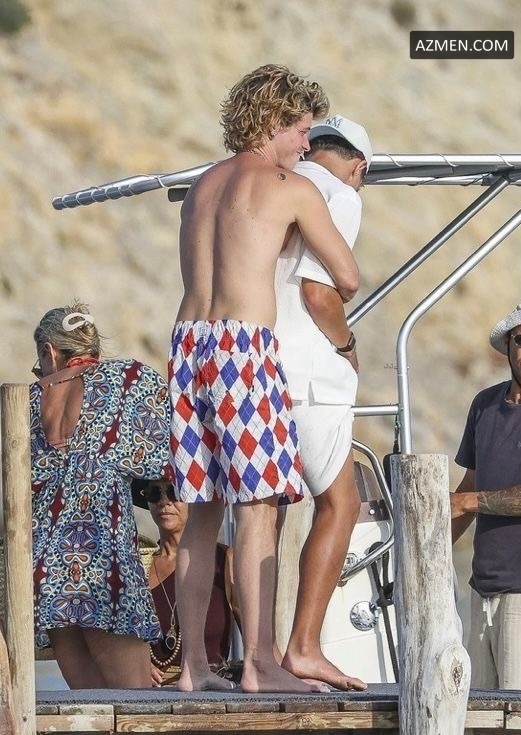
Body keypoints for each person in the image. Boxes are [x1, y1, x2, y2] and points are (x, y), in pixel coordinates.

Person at [168, 63, 359, 693]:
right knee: (258, 510)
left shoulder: (202, 185)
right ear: (273, 122)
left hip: (187, 344)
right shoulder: (290, 188)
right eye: (301, 129)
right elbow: (346, 277)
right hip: (243, 349)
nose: (306, 143)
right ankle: (260, 663)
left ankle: (194, 667)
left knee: (201, 512)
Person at [274, 115, 371, 691]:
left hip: (254, 363)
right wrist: (346, 347)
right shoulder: (339, 195)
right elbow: (319, 292)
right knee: (341, 503)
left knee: (259, 511)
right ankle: (304, 647)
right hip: (308, 372)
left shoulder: (273, 182)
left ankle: (258, 652)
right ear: (360, 165)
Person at [30, 301, 172, 688]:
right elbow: (163, 459)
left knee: (87, 704)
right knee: (135, 701)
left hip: (48, 571)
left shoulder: (27, 402)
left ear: (50, 351)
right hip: (103, 563)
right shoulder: (127, 379)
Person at [451, 300, 521, 690]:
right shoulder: (485, 404)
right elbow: (468, 485)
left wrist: (468, 502)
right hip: (481, 586)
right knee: (479, 713)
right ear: (508, 345)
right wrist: (426, 553)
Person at [132, 479, 236, 686]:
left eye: (174, 493)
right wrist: (133, 662)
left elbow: (257, 641)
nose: (164, 502)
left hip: (213, 693)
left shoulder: (225, 560)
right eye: (155, 493)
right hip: (147, 694)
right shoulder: (137, 565)